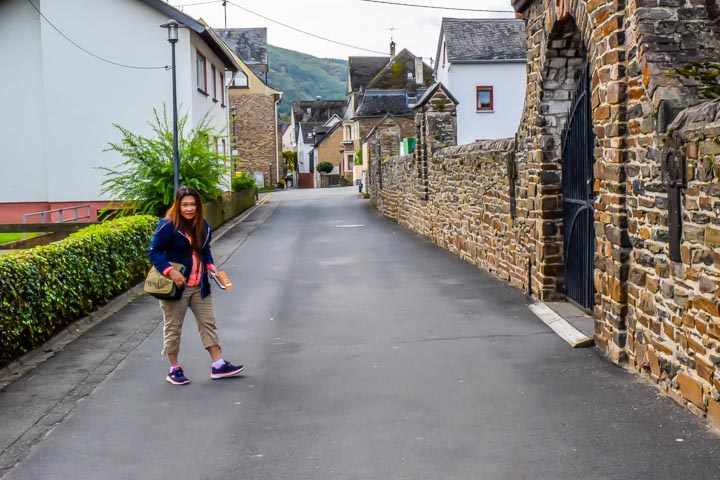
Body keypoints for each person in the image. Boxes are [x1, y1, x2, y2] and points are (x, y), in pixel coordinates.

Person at [148, 186, 244, 385]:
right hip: (176, 287)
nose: (189, 208)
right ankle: (174, 369)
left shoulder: (203, 225)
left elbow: (205, 249)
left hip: (199, 284)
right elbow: (154, 252)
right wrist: (170, 271)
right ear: (178, 205)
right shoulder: (168, 225)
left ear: (198, 205)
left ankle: (218, 365)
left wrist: (210, 265)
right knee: (173, 328)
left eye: (192, 204)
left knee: (208, 323)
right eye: (185, 205)